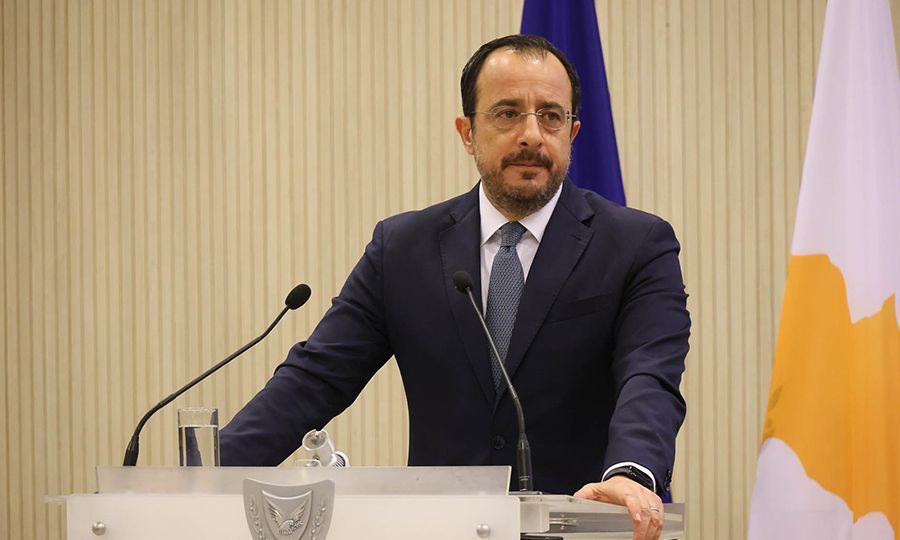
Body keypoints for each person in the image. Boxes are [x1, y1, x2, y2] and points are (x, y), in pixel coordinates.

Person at [220, 34, 689, 540]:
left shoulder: (636, 244)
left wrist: (630, 471)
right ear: (467, 132)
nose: (532, 135)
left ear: (573, 133)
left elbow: (649, 376)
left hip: (581, 527)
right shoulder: (402, 248)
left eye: (551, 116)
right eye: (508, 113)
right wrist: (202, 478)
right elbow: (315, 378)